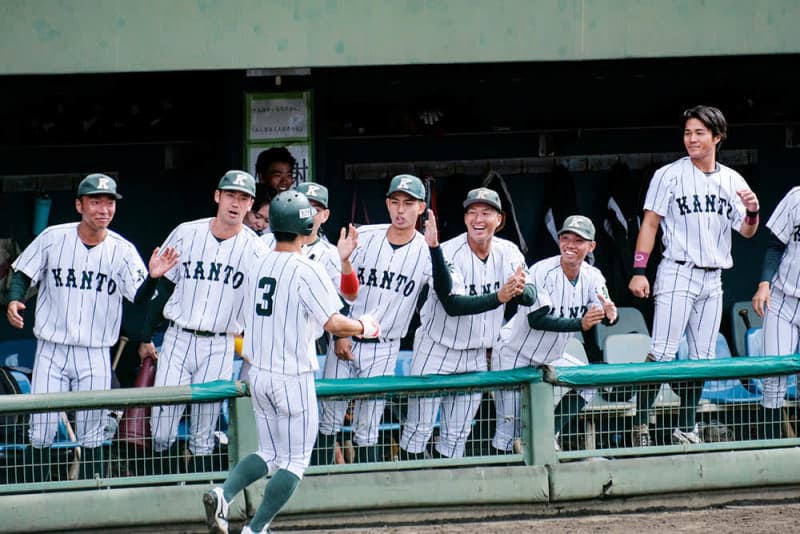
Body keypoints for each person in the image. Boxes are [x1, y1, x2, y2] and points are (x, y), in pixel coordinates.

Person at [202, 190, 380, 534]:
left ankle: (223, 494)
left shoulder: (256, 262)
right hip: (292, 375)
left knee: (269, 452)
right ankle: (257, 529)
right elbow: (334, 323)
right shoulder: (305, 268)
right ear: (305, 226)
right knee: (295, 461)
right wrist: (364, 327)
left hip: (260, 373)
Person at [6, 173, 178, 480]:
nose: (103, 209)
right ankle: (34, 499)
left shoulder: (122, 250)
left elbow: (139, 299)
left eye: (109, 202)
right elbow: (21, 272)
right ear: (79, 205)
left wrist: (154, 277)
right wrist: (15, 300)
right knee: (42, 430)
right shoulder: (53, 237)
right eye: (95, 202)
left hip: (96, 351)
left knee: (93, 432)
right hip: (51, 349)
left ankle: (92, 499)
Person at [628, 105, 760, 446]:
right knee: (662, 350)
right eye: (688, 132)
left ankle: (686, 427)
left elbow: (746, 232)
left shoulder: (732, 180)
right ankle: (640, 424)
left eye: (700, 133)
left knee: (702, 357)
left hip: (713, 277)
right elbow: (651, 223)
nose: (691, 139)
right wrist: (640, 269)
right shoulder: (669, 174)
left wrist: (753, 212)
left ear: (717, 137)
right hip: (677, 271)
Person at [138, 170, 269, 473]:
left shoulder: (257, 251)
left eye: (243, 198)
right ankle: (163, 490)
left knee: (203, 431)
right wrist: (146, 336)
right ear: (217, 196)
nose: (236, 203)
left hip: (220, 344)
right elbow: (164, 288)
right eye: (231, 195)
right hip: (178, 338)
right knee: (162, 427)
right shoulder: (186, 232)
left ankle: (197, 495)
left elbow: (260, 309)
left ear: (250, 204)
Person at [399, 188, 531, 459]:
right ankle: (409, 494)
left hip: (475, 355)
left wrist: (521, 288)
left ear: (499, 219)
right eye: (472, 212)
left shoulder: (508, 251)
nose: (477, 218)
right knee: (418, 431)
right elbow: (452, 304)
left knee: (456, 435)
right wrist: (499, 297)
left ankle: (445, 495)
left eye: (485, 212)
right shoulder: (448, 251)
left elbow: (530, 295)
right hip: (436, 349)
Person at [317, 174, 435, 463]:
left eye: (408, 203)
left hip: (384, 345)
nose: (400, 209)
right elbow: (335, 286)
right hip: (345, 338)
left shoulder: (427, 251)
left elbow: (447, 293)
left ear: (421, 208)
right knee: (329, 420)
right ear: (387, 203)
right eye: (395, 202)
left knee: (368, 427)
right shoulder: (364, 236)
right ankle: (319, 485)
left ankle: (364, 490)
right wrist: (340, 334)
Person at [492, 215, 618, 452]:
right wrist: (580, 324)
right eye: (565, 238)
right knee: (509, 432)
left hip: (549, 355)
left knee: (588, 382)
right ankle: (505, 479)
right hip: (513, 352)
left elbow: (606, 310)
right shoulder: (542, 271)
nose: (570, 245)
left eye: (578, 240)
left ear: (591, 246)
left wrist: (611, 315)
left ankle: (547, 431)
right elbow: (536, 319)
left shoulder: (593, 276)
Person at [751, 186, 800, 439]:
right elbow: (774, 246)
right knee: (774, 379)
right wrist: (764, 283)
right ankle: (769, 450)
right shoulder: (796, 197)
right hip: (783, 299)